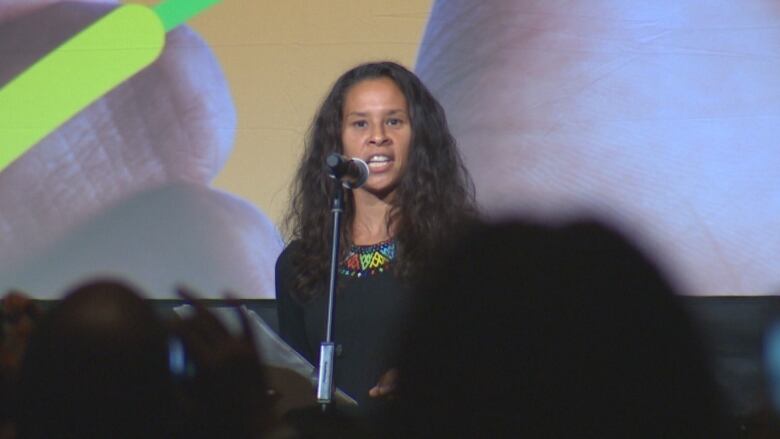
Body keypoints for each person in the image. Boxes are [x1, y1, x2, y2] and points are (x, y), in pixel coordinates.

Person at [276, 61, 476, 409]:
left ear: (419, 136)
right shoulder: (300, 262)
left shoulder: (457, 251)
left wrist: (425, 379)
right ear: (337, 141)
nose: (378, 135)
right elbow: (292, 387)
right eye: (360, 123)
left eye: (394, 121)